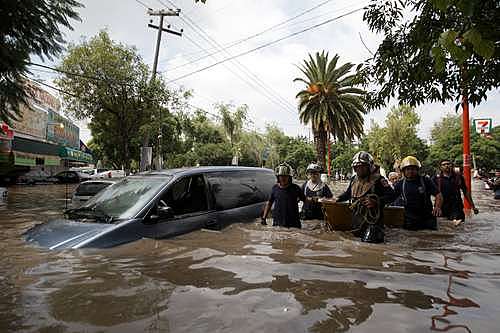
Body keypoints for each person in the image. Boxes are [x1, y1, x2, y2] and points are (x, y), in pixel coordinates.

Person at [335, 151, 395, 243]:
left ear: (369, 167)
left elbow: (392, 195)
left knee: (368, 244)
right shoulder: (353, 180)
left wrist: (376, 201)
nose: (360, 169)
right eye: (357, 167)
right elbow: (348, 194)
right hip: (357, 221)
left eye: (363, 166)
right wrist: (336, 199)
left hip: (373, 223)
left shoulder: (379, 180)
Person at [393, 156, 443, 230]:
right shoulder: (399, 184)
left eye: (413, 169)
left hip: (427, 217)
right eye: (408, 169)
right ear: (403, 171)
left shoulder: (426, 180)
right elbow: (391, 198)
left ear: (417, 170)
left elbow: (438, 195)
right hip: (410, 219)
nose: (410, 171)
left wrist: (437, 207)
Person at [432, 159, 478, 225]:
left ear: (452, 166)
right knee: (442, 226)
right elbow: (429, 192)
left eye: (448, 164)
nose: (446, 166)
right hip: (441, 207)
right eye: (444, 165)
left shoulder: (458, 177)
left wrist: (473, 206)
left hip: (456, 206)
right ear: (440, 167)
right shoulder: (436, 178)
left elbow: (466, 192)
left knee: (458, 225)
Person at [261, 163, 306, 228]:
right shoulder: (275, 188)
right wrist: (264, 218)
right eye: (281, 176)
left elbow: (305, 200)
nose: (283, 178)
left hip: (294, 225)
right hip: (277, 224)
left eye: (285, 176)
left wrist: (304, 212)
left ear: (289, 177)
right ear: (278, 177)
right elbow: (269, 203)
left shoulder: (296, 188)